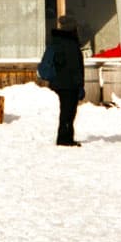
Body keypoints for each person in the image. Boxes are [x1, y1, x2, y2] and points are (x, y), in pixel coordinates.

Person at [39, 15, 85, 146]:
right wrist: (80, 85)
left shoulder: (57, 41)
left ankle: (66, 137)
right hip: (69, 83)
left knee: (67, 111)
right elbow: (75, 67)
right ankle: (64, 139)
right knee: (68, 111)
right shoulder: (70, 43)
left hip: (61, 83)